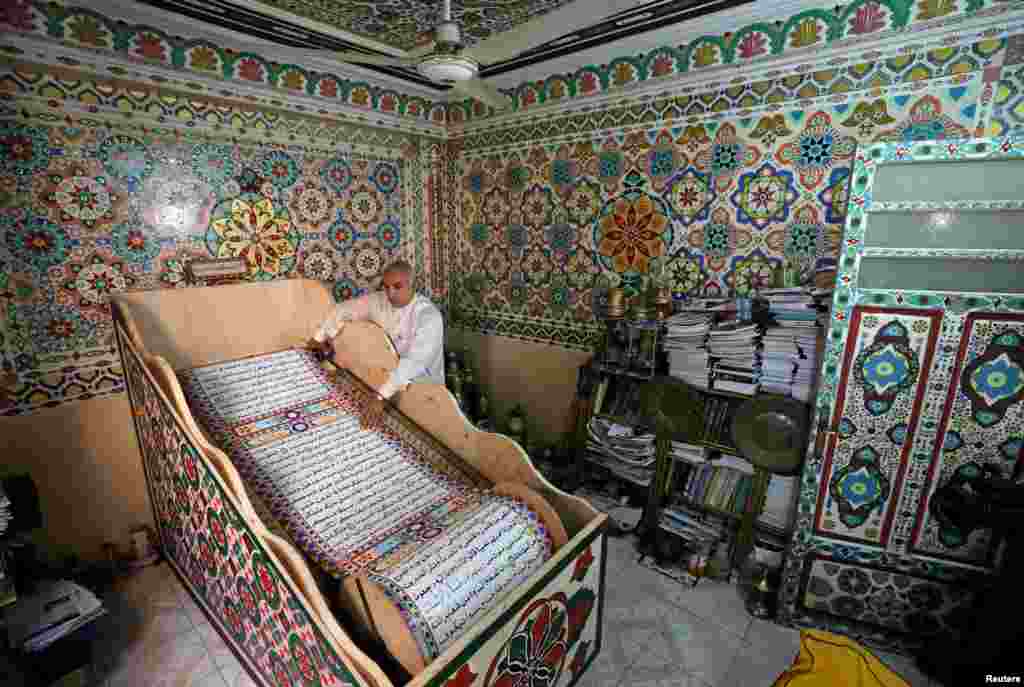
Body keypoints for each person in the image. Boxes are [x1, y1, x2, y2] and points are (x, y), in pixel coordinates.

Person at [306, 260, 444, 430]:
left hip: (427, 394)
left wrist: (380, 397)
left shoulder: (429, 316)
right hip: (388, 389)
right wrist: (319, 338)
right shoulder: (379, 301)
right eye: (386, 287)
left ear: (412, 285)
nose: (390, 293)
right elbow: (342, 310)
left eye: (397, 286)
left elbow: (414, 363)